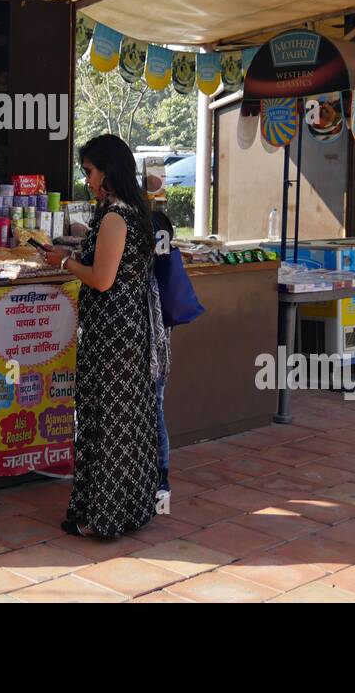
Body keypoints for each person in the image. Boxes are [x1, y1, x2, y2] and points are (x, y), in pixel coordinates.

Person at [38, 133, 159, 538]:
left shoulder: (115, 217)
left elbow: (102, 279)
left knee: (105, 422)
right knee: (123, 421)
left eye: (89, 171)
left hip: (112, 335)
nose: (86, 179)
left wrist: (65, 260)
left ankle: (104, 515)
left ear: (107, 170)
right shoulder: (133, 211)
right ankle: (122, 509)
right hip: (126, 332)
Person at [149, 209, 203, 496]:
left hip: (152, 341)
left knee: (154, 407)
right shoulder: (163, 251)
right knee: (155, 406)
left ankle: (161, 479)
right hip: (159, 339)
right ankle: (159, 477)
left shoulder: (151, 264)